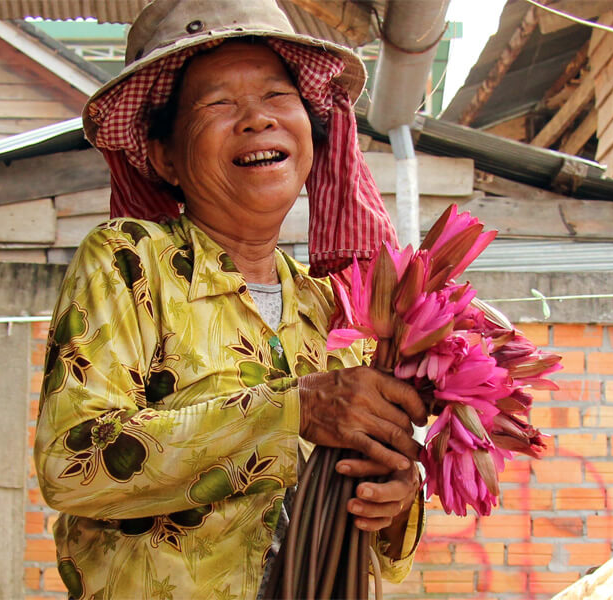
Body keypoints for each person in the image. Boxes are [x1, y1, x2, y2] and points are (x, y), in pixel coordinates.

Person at [34, 1, 427, 598]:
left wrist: (394, 499)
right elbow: (72, 466)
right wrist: (290, 410)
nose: (256, 120)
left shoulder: (330, 309)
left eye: (276, 96)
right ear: (164, 156)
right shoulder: (129, 262)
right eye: (218, 103)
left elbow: (382, 552)